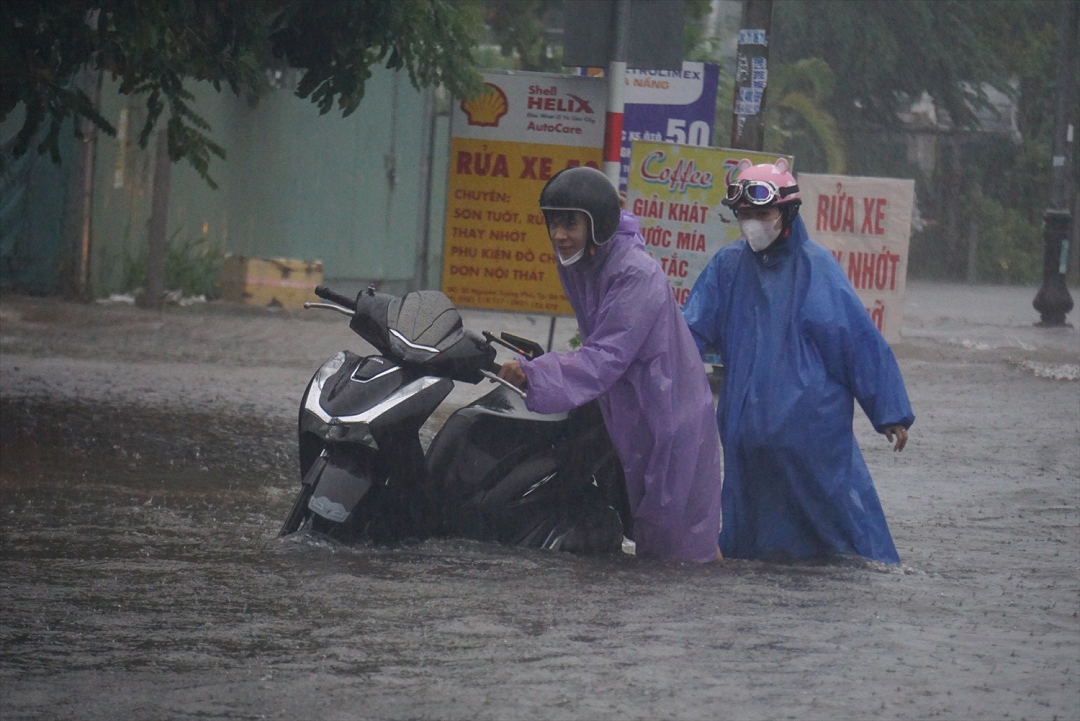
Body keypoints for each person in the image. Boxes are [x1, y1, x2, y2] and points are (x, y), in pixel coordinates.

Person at [682, 158, 914, 564]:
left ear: (786, 212)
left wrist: (890, 411)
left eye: (762, 214)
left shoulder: (816, 268)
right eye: (745, 215)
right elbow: (686, 335)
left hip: (810, 438)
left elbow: (857, 342)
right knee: (746, 541)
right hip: (745, 438)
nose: (753, 223)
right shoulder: (727, 267)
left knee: (841, 533)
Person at [497, 166, 723, 563]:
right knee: (653, 540)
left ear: (598, 225)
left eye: (570, 223)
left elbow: (606, 355)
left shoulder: (636, 273)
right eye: (553, 222)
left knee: (681, 553)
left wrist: (537, 373)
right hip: (631, 410)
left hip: (669, 414)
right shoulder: (581, 262)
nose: (558, 235)